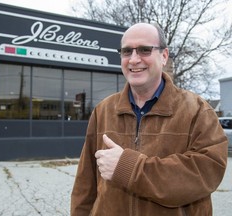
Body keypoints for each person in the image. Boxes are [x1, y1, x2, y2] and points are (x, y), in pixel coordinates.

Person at [70, 22, 228, 216]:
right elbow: (84, 187)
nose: (134, 59)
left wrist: (129, 168)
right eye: (127, 51)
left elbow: (207, 172)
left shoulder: (198, 111)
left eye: (144, 50)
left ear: (164, 56)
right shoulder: (103, 111)